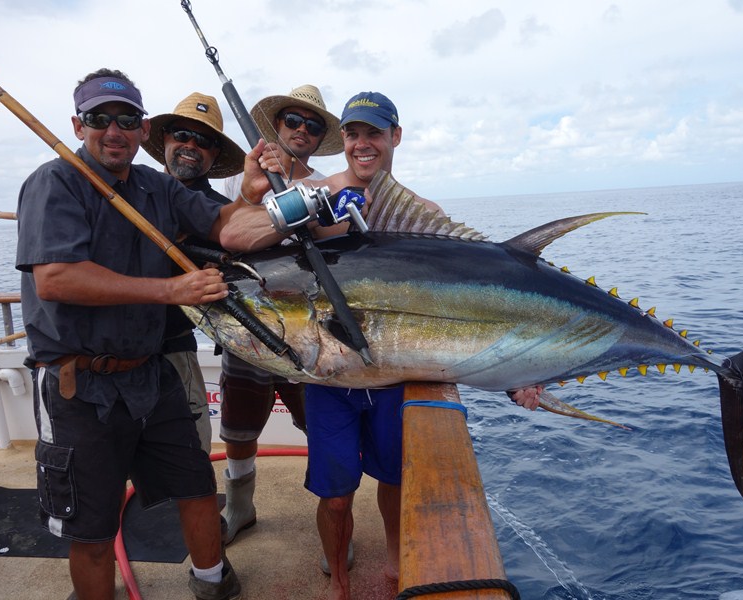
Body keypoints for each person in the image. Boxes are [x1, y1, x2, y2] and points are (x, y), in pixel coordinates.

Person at [225, 91, 542, 600]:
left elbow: (467, 309)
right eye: (352, 134)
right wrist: (290, 204)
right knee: (334, 498)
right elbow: (235, 236)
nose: (362, 144)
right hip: (332, 379)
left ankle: (396, 568)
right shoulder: (315, 189)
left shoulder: (423, 214)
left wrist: (514, 375)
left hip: (394, 381)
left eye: (374, 132)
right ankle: (340, 583)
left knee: (395, 486)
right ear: (343, 141)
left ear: (395, 137)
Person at [15, 68, 273, 600]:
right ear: (77, 124)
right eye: (99, 119)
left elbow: (228, 225)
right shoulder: (54, 182)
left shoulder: (156, 186)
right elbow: (57, 278)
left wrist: (256, 196)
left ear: (142, 127)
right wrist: (170, 291)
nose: (114, 130)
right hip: (78, 387)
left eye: (126, 119)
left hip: (150, 375)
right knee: (92, 526)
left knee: (197, 487)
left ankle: (211, 582)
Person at [215, 85, 344, 546]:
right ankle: (240, 505)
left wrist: (305, 206)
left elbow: (337, 245)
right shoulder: (240, 175)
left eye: (314, 126)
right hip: (250, 318)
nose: (302, 131)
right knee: (238, 425)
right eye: (293, 121)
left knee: (320, 422)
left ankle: (333, 517)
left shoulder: (325, 184)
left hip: (307, 325)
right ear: (277, 125)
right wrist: (256, 188)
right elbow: (227, 229)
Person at [141, 91, 246, 454]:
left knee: (193, 459)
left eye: (203, 140)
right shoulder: (124, 195)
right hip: (112, 351)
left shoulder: (224, 216)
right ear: (164, 140)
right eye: (181, 135)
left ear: (214, 154)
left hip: (176, 350)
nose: (190, 145)